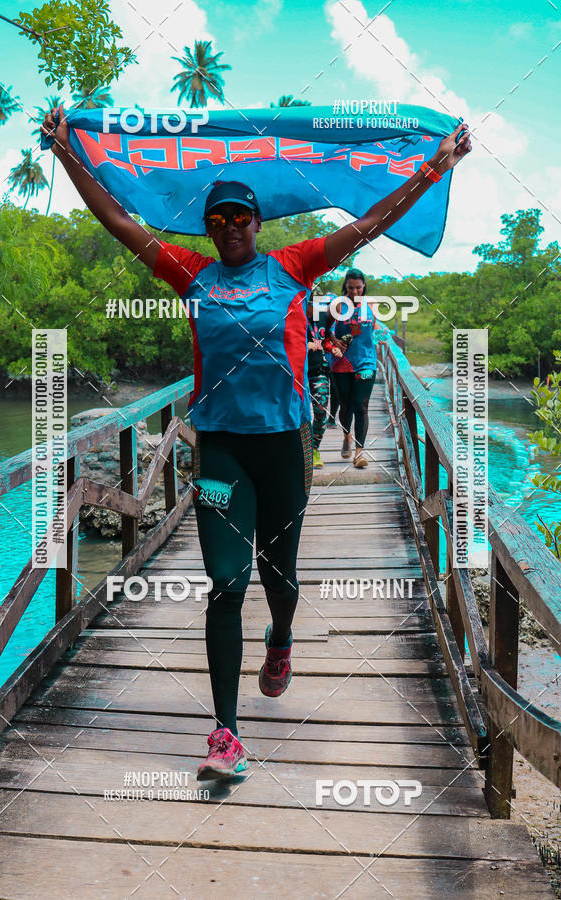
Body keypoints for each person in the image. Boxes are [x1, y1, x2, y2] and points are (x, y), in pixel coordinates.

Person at [40, 106, 471, 781]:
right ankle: (225, 734)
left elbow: (368, 223)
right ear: (207, 230)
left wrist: (431, 169)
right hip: (219, 453)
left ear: (258, 223)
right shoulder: (193, 277)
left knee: (280, 577)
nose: (231, 229)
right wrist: (68, 154)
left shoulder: (295, 266)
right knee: (225, 581)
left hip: (286, 449)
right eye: (218, 221)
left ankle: (282, 637)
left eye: (241, 218)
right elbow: (120, 224)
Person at [327, 269, 387, 468]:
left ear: (364, 287)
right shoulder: (337, 305)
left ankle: (360, 453)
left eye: (358, 287)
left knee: (360, 405)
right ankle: (347, 436)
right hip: (341, 362)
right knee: (345, 405)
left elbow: (374, 327)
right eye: (351, 287)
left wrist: (381, 337)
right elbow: (324, 329)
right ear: (346, 286)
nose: (354, 291)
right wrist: (334, 340)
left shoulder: (371, 304)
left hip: (366, 361)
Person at [306, 290, 342, 467]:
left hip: (319, 369)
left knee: (321, 411)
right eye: (312, 304)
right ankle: (298, 451)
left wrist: (331, 348)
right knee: (298, 414)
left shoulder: (322, 316)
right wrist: (305, 344)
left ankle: (314, 449)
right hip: (295, 373)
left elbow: (325, 338)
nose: (315, 308)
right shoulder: (292, 316)